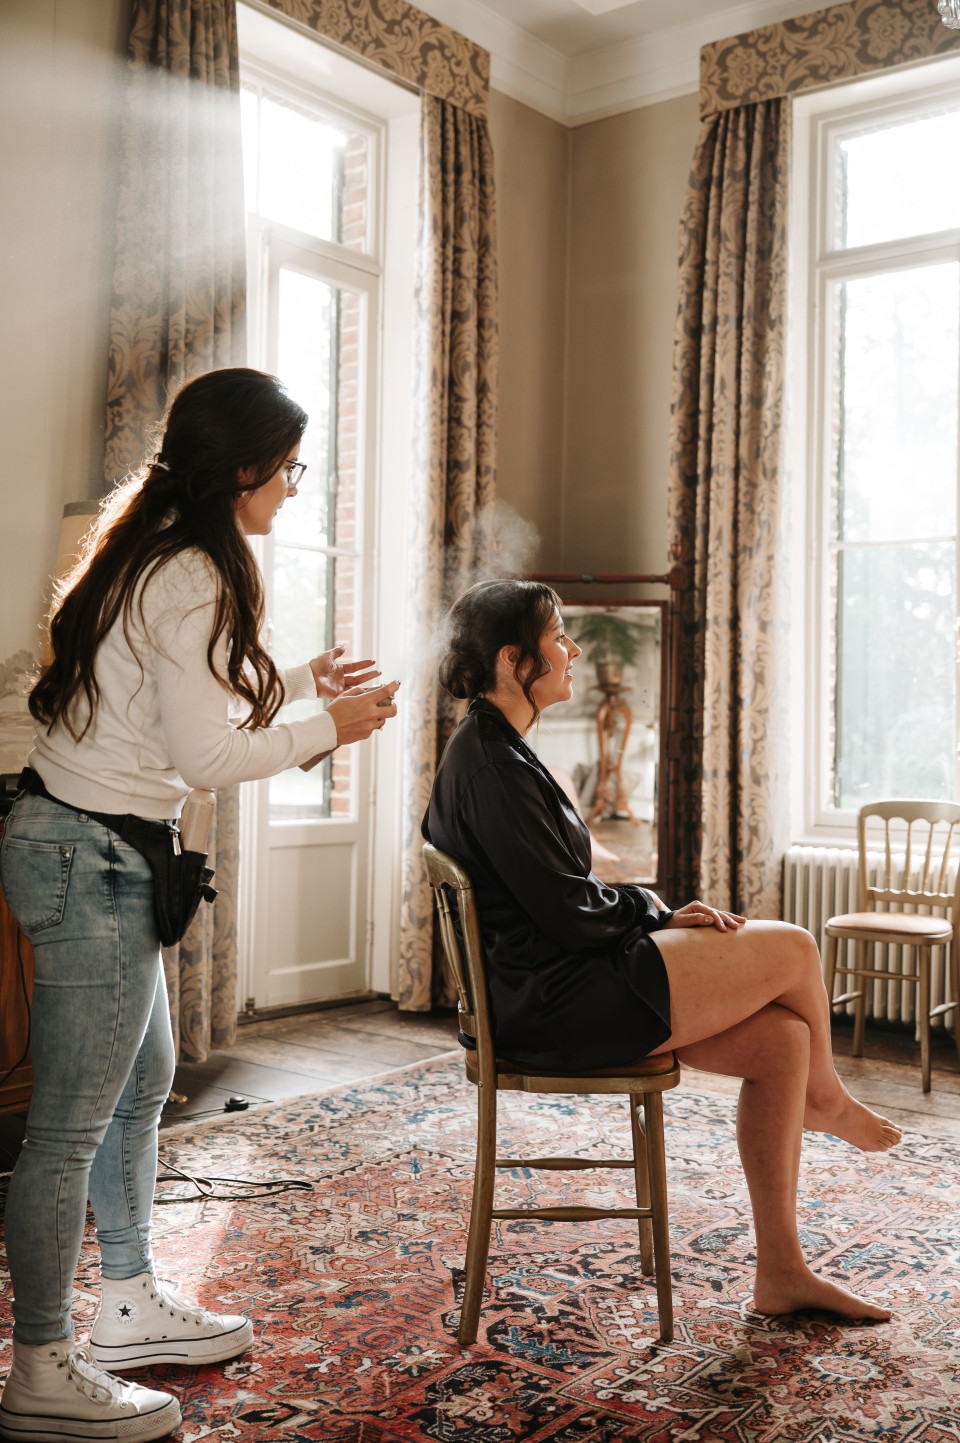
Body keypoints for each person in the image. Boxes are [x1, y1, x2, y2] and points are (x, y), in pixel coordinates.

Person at [0, 367, 399, 1442]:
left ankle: (125, 1305)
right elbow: (210, 754)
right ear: (244, 468)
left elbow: (173, 705)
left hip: (98, 845)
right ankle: (38, 1365)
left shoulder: (162, 550)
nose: (296, 489)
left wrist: (306, 687)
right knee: (68, 1127)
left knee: (145, 1084)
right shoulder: (195, 574)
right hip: (93, 858)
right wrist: (335, 727)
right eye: (291, 468)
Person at [423, 578, 901, 1327]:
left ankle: (782, 1271)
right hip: (555, 1002)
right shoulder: (491, 766)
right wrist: (655, 908)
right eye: (557, 636)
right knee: (797, 948)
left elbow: (563, 896)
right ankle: (828, 1097)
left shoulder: (496, 748)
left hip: (555, 984)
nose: (573, 648)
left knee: (784, 1041)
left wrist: (656, 911)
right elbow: (572, 913)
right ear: (515, 660)